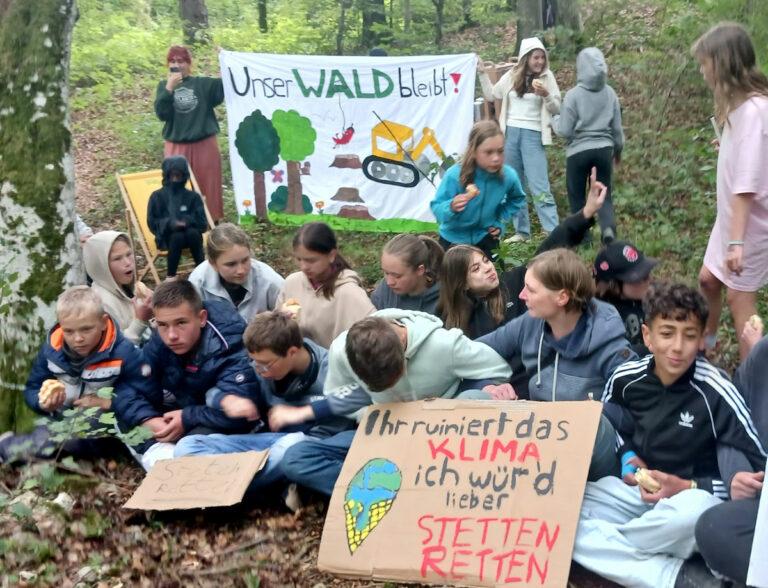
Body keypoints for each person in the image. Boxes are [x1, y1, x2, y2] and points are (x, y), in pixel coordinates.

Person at [572, 282, 766, 588]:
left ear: (702, 339)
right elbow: (611, 423)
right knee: (569, 505)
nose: (677, 346)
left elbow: (759, 470)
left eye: (689, 336)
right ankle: (674, 571)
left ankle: (628, 556)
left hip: (692, 499)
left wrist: (689, 485)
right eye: (666, 333)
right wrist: (625, 454)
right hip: (637, 493)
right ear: (648, 336)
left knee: (694, 517)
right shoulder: (626, 378)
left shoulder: (717, 391)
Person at [276, 309, 513, 496]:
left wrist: (483, 388)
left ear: (403, 351)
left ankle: (420, 488)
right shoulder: (341, 349)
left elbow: (497, 368)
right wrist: (367, 414)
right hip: (384, 432)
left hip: (441, 439)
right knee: (296, 458)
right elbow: (338, 394)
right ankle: (393, 494)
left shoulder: (443, 345)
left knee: (477, 398)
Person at [477, 248, 635, 479]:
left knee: (588, 422)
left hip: (592, 454)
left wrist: (589, 410)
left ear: (562, 297)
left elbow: (638, 408)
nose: (521, 295)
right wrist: (487, 384)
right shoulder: (530, 323)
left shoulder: (611, 347)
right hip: (538, 440)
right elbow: (471, 352)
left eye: (530, 289)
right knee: (473, 399)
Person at [173, 311, 355, 493]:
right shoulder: (259, 364)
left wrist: (301, 412)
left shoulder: (331, 368)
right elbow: (212, 393)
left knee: (289, 446)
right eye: (255, 362)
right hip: (269, 442)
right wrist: (226, 399)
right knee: (187, 446)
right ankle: (229, 484)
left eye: (265, 364)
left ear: (292, 352)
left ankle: (226, 489)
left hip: (311, 447)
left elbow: (358, 398)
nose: (259, 370)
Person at [438, 166, 608, 340]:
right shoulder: (453, 327)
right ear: (462, 283)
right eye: (476, 268)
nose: (487, 268)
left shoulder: (515, 282)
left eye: (485, 261)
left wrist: (586, 212)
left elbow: (550, 246)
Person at [112, 280, 260, 471]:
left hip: (213, 422)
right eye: (163, 325)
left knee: (196, 442)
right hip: (180, 408)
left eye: (181, 323)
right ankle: (161, 459)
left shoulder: (229, 343)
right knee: (126, 414)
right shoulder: (161, 341)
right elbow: (129, 383)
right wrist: (147, 419)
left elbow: (242, 411)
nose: (172, 335)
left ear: (202, 318)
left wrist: (187, 418)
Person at [0, 287, 148, 462]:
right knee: (46, 442)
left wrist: (108, 402)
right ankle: (9, 446)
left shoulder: (123, 352)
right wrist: (42, 403)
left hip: (109, 423)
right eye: (69, 331)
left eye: (86, 330)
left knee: (68, 444)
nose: (78, 339)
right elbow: (33, 387)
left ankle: (10, 448)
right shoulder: (51, 351)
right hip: (61, 420)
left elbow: (146, 391)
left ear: (103, 322)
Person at [693, 23, 768, 361]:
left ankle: (754, 385)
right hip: (730, 223)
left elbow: (747, 185)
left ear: (722, 64)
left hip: (749, 227)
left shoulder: (754, 111)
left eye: (705, 62)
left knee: (742, 305)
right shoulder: (740, 109)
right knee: (708, 280)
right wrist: (727, 146)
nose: (702, 69)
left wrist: (737, 242)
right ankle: (707, 346)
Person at [695, 329, 768, 585]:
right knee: (715, 528)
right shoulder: (762, 358)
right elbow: (728, 426)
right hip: (761, 508)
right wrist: (735, 473)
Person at [478, 37, 561, 242]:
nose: (539, 62)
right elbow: (491, 94)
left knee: (539, 185)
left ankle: (553, 232)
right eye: (535, 57)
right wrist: (481, 73)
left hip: (533, 135)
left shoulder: (547, 77)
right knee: (515, 184)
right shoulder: (512, 75)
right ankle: (522, 232)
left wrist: (546, 95)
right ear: (526, 58)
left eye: (542, 57)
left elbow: (557, 108)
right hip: (510, 134)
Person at [553, 47, 624, 245]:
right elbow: (617, 129)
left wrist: (554, 119)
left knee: (577, 195)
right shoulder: (610, 93)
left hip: (577, 153)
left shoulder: (573, 95)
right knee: (604, 194)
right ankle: (608, 229)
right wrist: (618, 151)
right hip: (604, 149)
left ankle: (584, 239)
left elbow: (565, 131)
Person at [430, 120, 526, 259]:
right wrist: (450, 207)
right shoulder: (454, 175)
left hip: (486, 238)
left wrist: (500, 222)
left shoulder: (508, 176)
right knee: (453, 281)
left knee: (493, 279)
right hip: (453, 241)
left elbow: (517, 198)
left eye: (500, 151)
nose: (496, 158)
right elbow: (437, 208)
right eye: (488, 152)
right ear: (473, 151)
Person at [276, 222, 375, 348]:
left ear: (332, 255)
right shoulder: (292, 283)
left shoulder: (349, 292)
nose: (304, 267)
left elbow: (376, 334)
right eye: (299, 259)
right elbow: (278, 328)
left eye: (311, 260)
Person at [154, 45, 225, 221]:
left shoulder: (202, 84)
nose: (177, 64)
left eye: (181, 61)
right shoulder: (164, 86)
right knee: (176, 185)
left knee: (207, 185)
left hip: (204, 144)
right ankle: (179, 225)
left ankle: (210, 222)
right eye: (172, 61)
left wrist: (224, 60)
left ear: (188, 64)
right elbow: (162, 114)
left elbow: (225, 86)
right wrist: (169, 88)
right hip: (176, 145)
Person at [188, 223, 284, 323]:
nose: (241, 270)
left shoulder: (269, 280)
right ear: (213, 264)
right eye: (231, 264)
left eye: (245, 260)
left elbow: (291, 318)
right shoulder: (198, 283)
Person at [83, 231, 153, 346]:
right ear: (101, 265)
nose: (127, 262)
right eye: (117, 258)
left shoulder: (127, 287)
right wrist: (140, 321)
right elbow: (116, 350)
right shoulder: (99, 303)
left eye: (129, 254)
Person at [147, 155, 207, 279]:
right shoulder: (157, 197)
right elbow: (152, 222)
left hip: (192, 236)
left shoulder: (193, 197)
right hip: (167, 238)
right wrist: (170, 223)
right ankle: (171, 276)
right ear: (167, 176)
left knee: (192, 233)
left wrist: (187, 221)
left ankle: (203, 273)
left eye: (178, 176)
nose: (175, 179)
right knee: (177, 236)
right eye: (172, 176)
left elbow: (202, 222)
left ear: (184, 176)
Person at [594, 240, 658, 355]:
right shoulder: (601, 317)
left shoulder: (656, 296)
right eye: (639, 277)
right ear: (613, 284)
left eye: (647, 273)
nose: (649, 280)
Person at [370, 234, 444, 315]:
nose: (389, 282)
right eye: (386, 273)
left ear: (420, 270)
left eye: (397, 276)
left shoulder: (445, 300)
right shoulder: (382, 293)